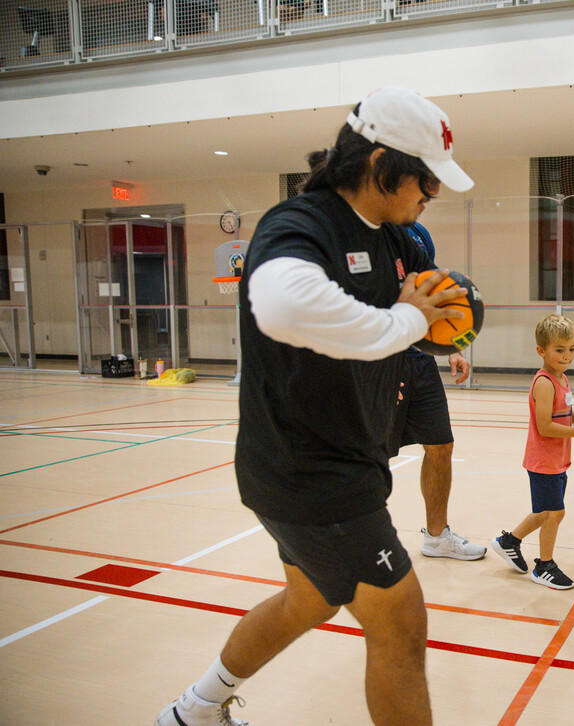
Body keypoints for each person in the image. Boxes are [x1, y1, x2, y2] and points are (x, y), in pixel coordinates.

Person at [154, 85, 474, 726]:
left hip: (325, 466)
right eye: (425, 183)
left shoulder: (391, 232)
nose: (430, 197)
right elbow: (281, 304)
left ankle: (193, 711)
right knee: (401, 625)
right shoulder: (300, 225)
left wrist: (451, 312)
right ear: (383, 168)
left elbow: (437, 287)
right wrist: (408, 322)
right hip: (311, 477)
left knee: (307, 601)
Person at [490, 314, 574, 590]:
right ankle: (544, 567)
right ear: (541, 351)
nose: (567, 356)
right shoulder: (544, 383)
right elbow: (545, 426)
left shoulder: (562, 379)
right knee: (554, 513)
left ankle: (509, 542)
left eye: (572, 349)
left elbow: (565, 414)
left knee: (545, 512)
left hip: (557, 461)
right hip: (543, 461)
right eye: (559, 350)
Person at [394, 221, 487, 561]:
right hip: (381, 361)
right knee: (373, 454)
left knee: (440, 445)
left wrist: (451, 348)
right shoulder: (356, 233)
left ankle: (436, 537)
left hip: (419, 358)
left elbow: (436, 294)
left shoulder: (417, 233)